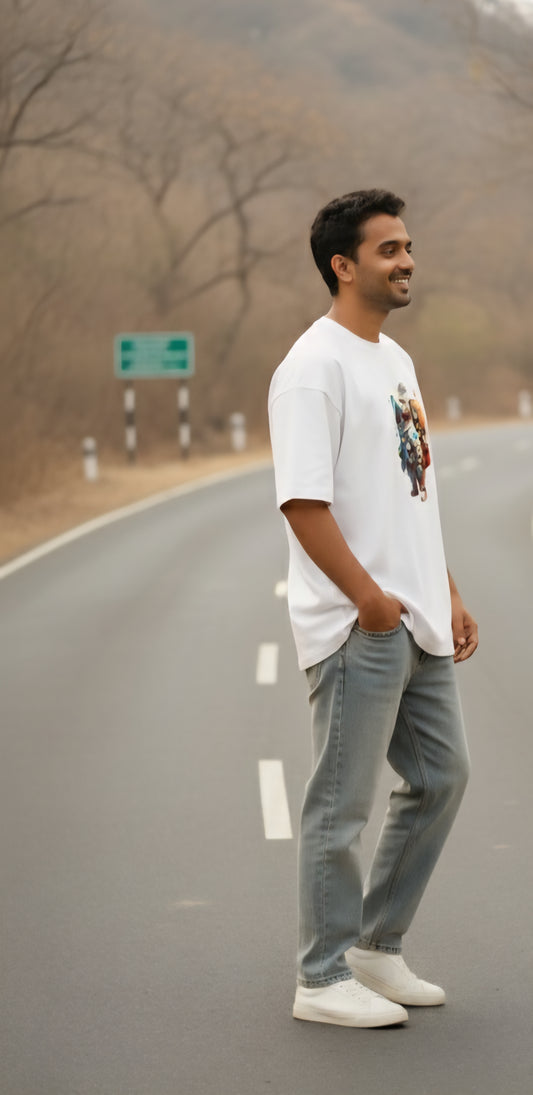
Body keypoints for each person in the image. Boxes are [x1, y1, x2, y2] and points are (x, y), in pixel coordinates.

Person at [268, 189, 478, 1029]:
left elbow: (410, 490)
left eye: (408, 246)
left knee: (440, 776)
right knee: (339, 804)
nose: (406, 261)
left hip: (414, 612)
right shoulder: (311, 367)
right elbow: (303, 503)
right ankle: (319, 977)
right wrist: (369, 602)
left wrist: (446, 587)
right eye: (389, 249)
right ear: (341, 265)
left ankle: (373, 948)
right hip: (361, 622)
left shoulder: (394, 361)